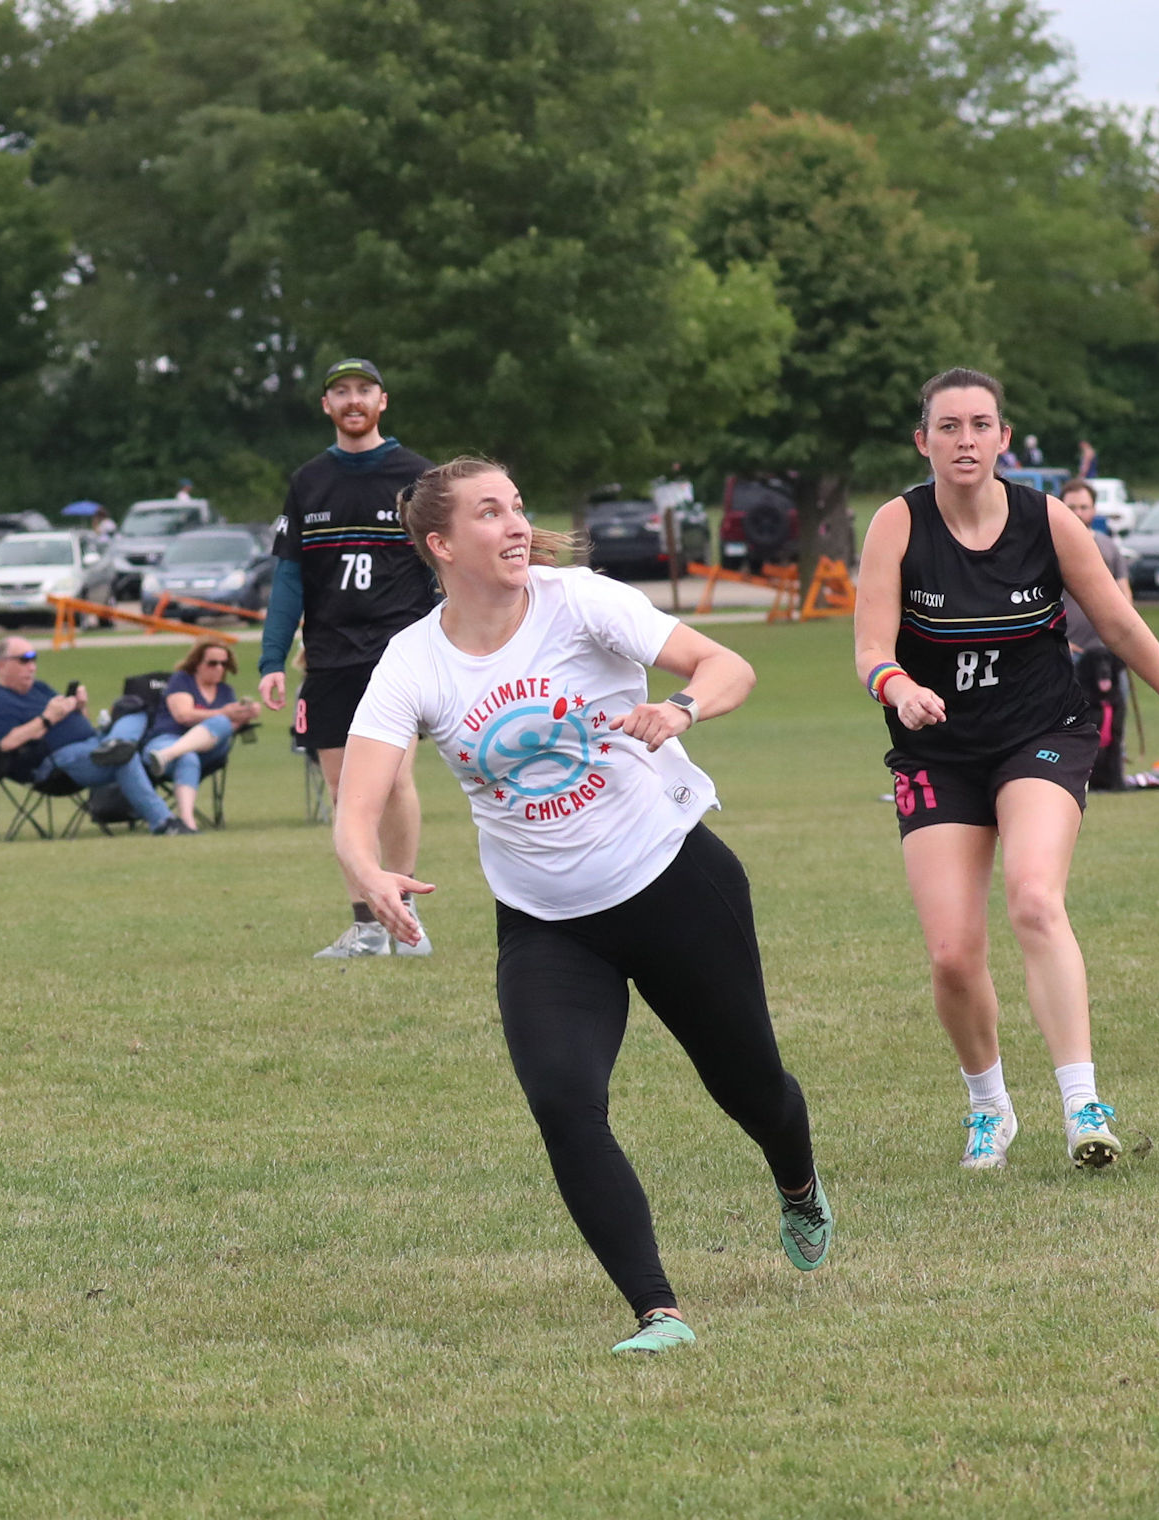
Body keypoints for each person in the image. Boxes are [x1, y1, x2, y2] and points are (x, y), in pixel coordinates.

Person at [337, 456, 830, 1355]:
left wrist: (678, 710)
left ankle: (797, 1185)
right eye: (491, 512)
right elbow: (356, 802)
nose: (516, 524)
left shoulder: (580, 601)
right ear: (441, 543)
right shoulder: (413, 660)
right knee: (563, 1102)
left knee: (750, 1087)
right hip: (545, 923)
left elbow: (725, 664)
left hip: (673, 880)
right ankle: (657, 1312)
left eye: (518, 507)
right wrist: (366, 871)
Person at [854, 368, 1159, 1171]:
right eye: (948, 427)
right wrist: (898, 688)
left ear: (1003, 438)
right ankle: (989, 1108)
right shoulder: (896, 524)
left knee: (1035, 899)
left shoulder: (1046, 519)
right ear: (922, 441)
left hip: (1041, 734)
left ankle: (1082, 1105)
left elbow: (1122, 627)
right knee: (951, 953)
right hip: (937, 750)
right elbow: (870, 646)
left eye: (980, 425)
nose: (965, 440)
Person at [258, 358, 436, 957]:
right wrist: (272, 660)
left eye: (364, 389)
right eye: (341, 391)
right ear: (326, 405)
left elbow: (445, 564)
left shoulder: (418, 477)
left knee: (394, 781)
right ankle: (368, 926)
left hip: (398, 655)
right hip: (328, 658)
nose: (352, 399)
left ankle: (405, 914)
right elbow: (289, 579)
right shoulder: (308, 481)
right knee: (344, 794)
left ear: (382, 401)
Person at [0, 636, 186, 835]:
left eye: (34, 659)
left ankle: (116, 743)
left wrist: (79, 707)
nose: (32, 667)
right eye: (24, 660)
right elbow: (6, 743)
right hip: (59, 761)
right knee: (124, 757)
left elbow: (81, 722)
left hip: (94, 743)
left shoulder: (39, 688)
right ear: (1, 665)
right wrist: (46, 718)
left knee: (135, 708)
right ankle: (164, 821)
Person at [144, 638, 265, 830]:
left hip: (207, 753)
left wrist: (244, 715)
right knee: (188, 757)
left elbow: (227, 727)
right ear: (197, 663)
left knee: (222, 722)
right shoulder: (182, 680)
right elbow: (183, 715)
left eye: (223, 664)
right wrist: (223, 712)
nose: (219, 668)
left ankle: (167, 755)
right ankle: (187, 823)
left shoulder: (226, 691)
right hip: (167, 739)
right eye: (212, 663)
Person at [1060, 477, 1132, 792]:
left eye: (1084, 506)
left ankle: (1114, 771)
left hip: (1107, 652)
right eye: (1071, 507)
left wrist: (1125, 640)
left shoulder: (1108, 547)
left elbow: (1124, 595)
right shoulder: (1049, 547)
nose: (1078, 512)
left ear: (1094, 509)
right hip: (1068, 651)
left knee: (1116, 713)